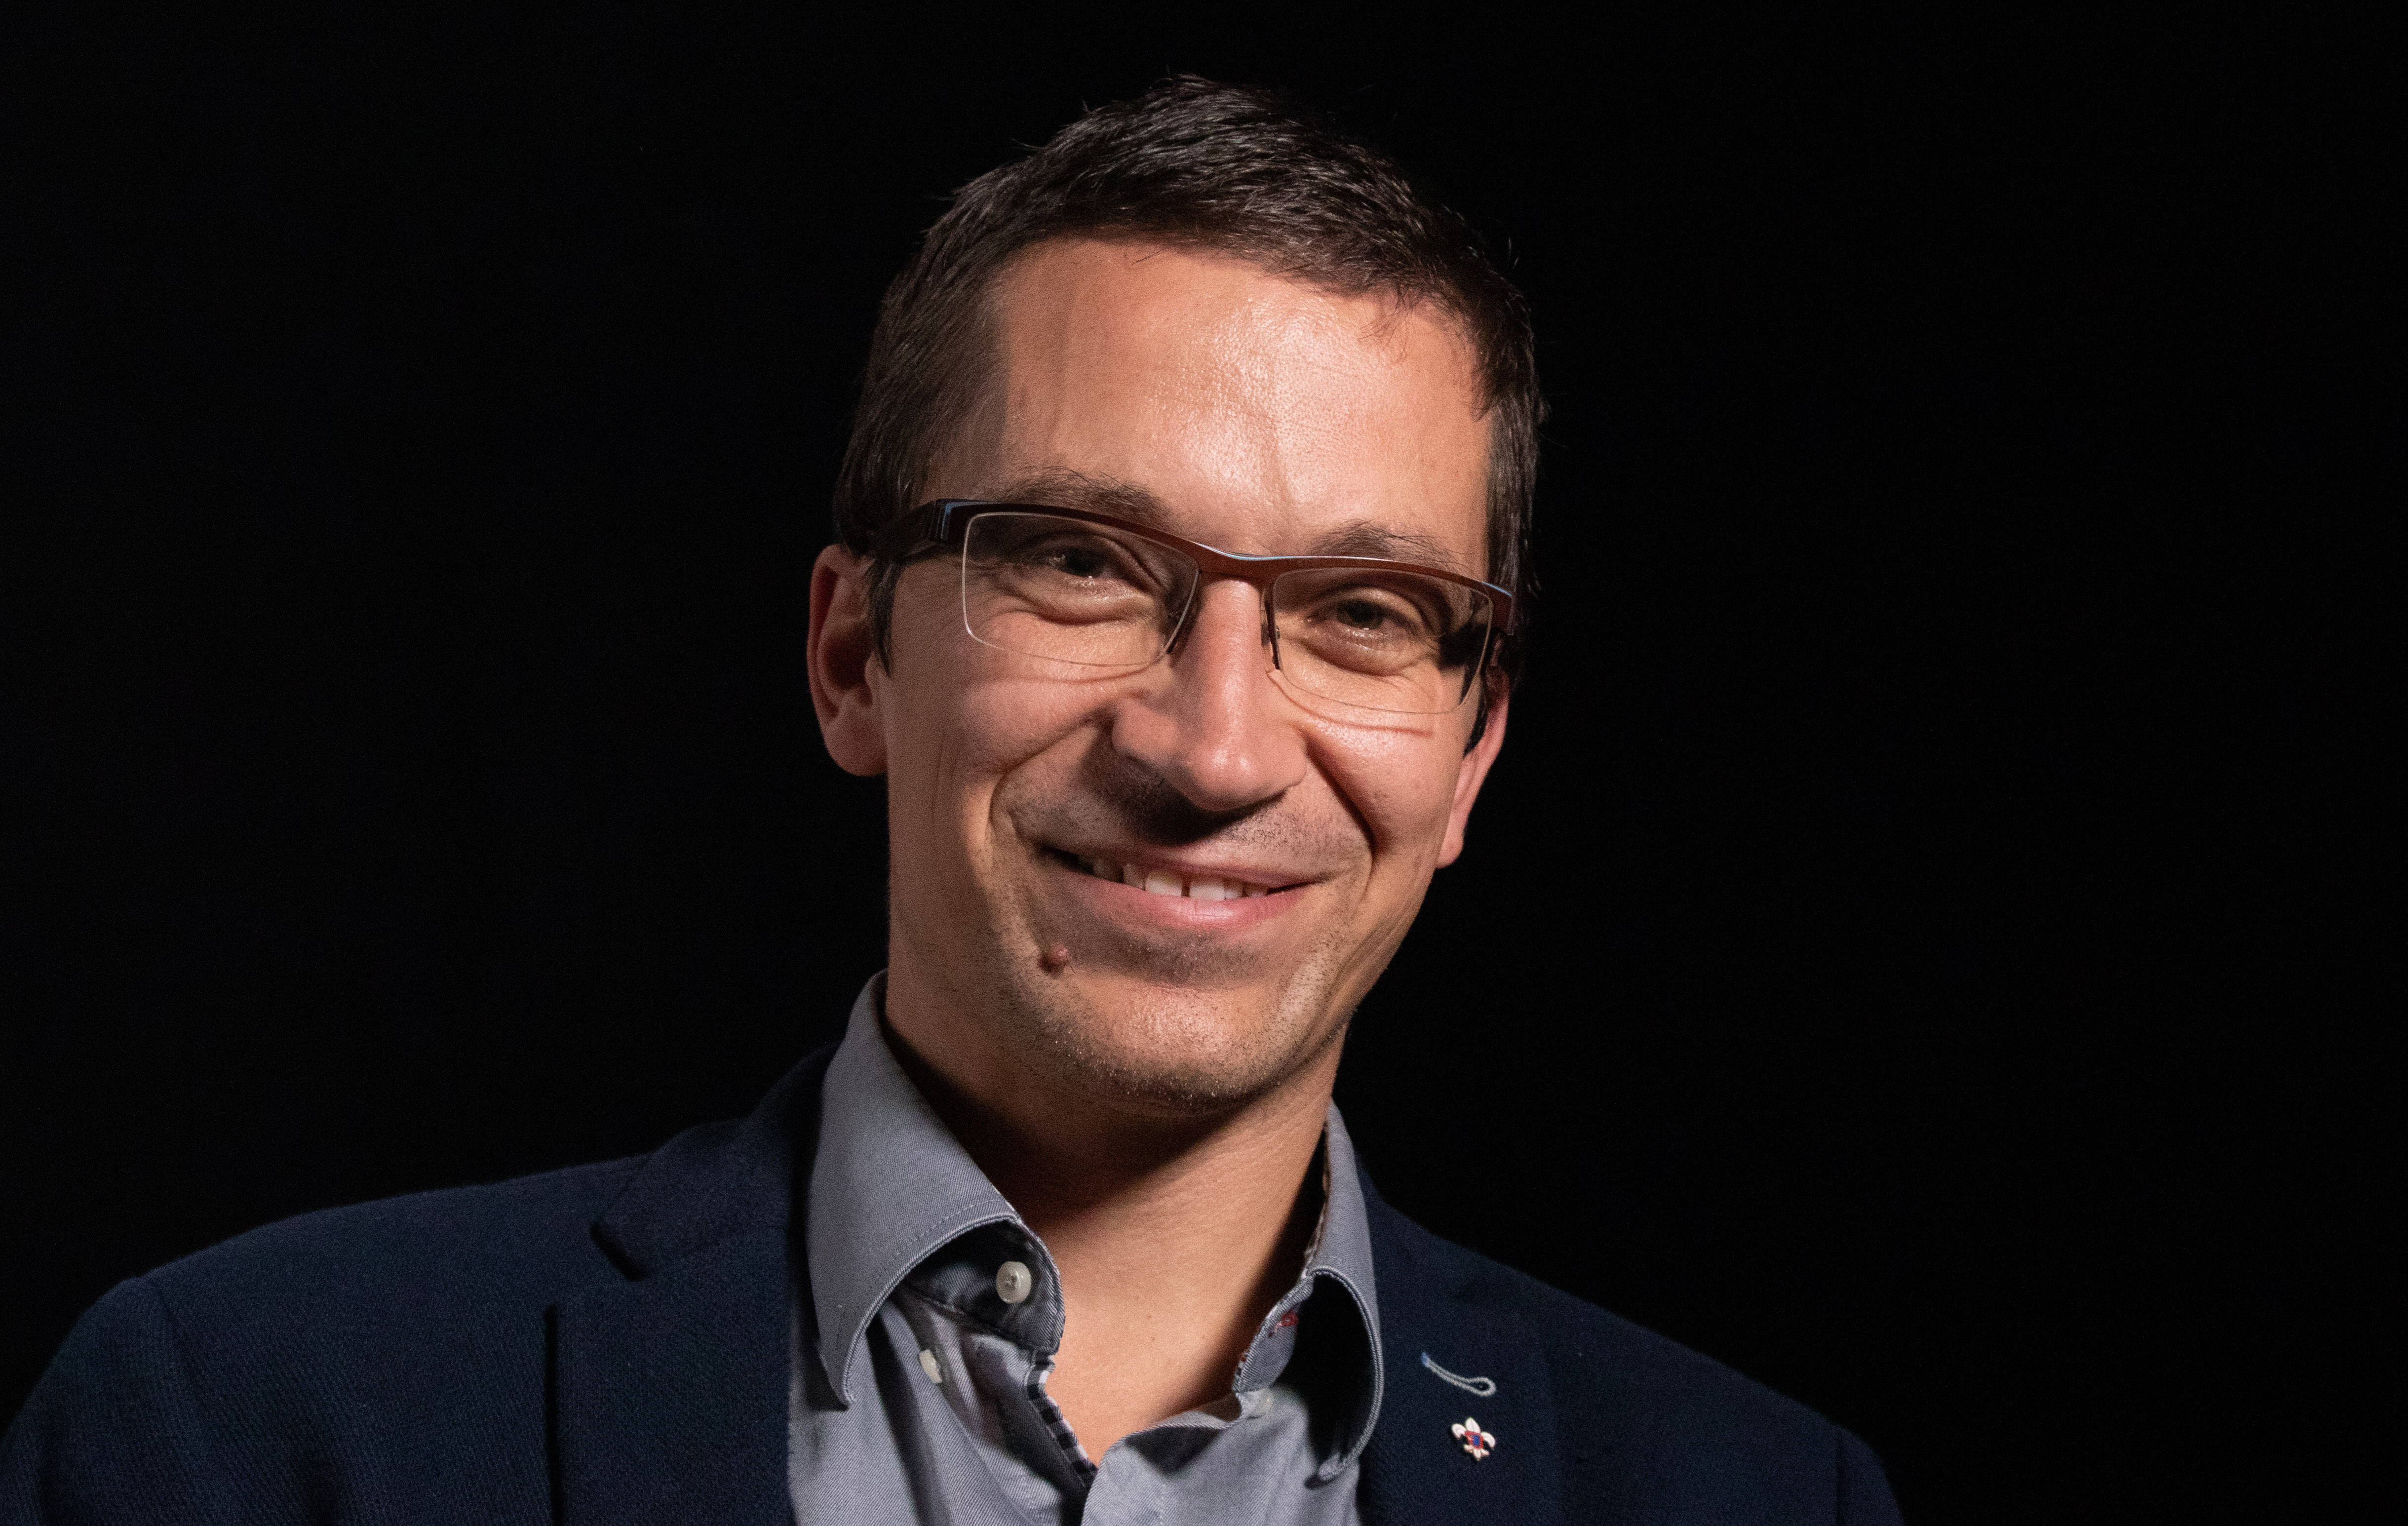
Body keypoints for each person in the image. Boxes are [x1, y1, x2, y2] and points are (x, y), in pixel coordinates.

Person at [1, 78, 1902, 1524]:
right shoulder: (247, 1426)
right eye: (1081, 564)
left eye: (1366, 613)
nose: (1216, 750)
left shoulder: (1765, 1498)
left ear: (1471, 752)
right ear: (853, 657)